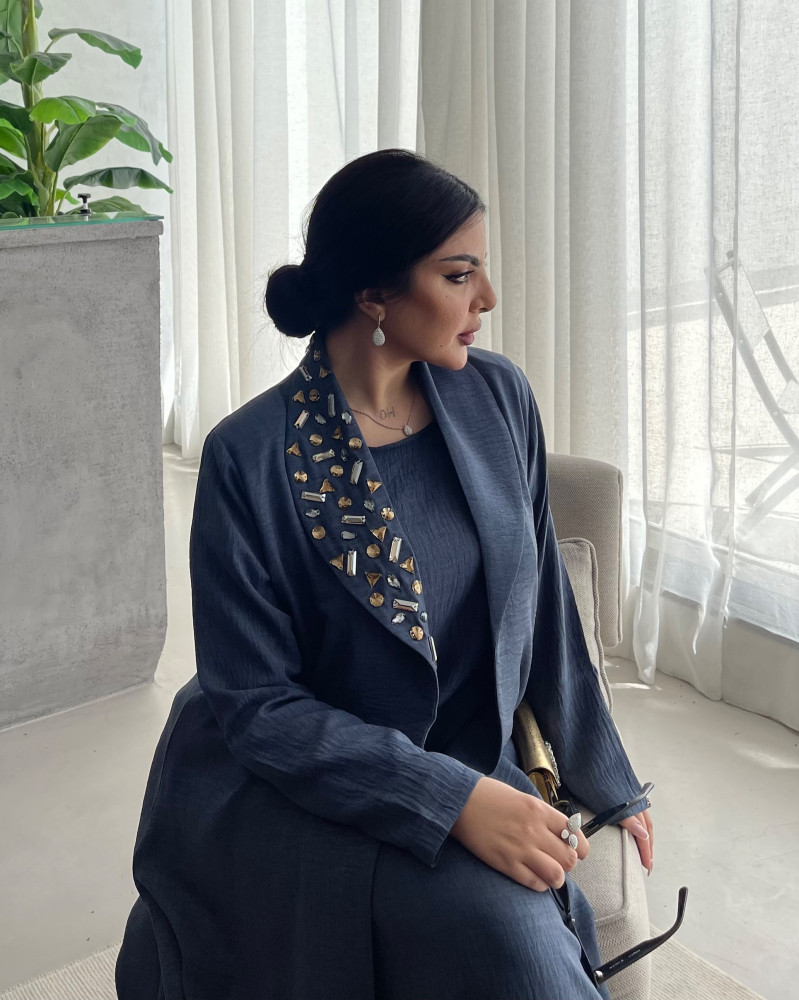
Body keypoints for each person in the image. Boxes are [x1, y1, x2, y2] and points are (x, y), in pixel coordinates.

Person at [116, 148, 653, 1000]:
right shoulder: (247, 456)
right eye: (458, 274)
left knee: (520, 942)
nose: (487, 298)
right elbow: (257, 706)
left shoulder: (497, 399)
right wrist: (451, 799)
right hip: (300, 786)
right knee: (509, 945)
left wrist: (608, 780)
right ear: (373, 294)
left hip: (468, 760)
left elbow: (545, 604)